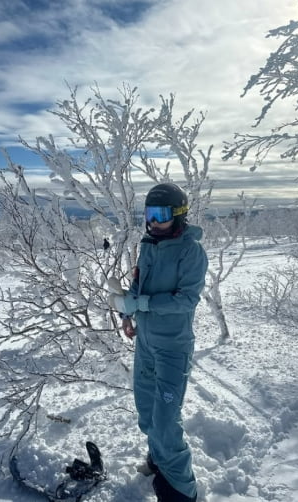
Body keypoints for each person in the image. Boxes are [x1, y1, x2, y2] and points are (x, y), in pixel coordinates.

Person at [109, 183, 208, 502]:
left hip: (172, 348)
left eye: (161, 214)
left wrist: (144, 305)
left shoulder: (191, 251)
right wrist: (128, 311)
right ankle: (158, 461)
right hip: (146, 343)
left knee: (166, 422)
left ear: (178, 215)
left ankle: (181, 491)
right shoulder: (149, 244)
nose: (153, 221)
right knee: (147, 413)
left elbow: (187, 300)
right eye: (149, 213)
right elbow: (139, 283)